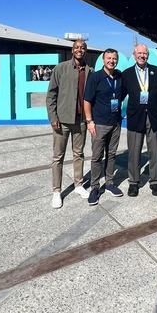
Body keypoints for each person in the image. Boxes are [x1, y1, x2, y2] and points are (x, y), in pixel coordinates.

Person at [45, 40, 93, 209]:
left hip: (80, 121)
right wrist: (53, 117)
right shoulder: (61, 68)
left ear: (85, 51)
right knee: (58, 156)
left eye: (82, 48)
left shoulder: (90, 71)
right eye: (77, 47)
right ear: (72, 50)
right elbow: (51, 95)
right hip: (62, 121)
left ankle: (78, 184)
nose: (80, 50)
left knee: (78, 154)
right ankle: (56, 191)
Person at [121, 43, 157, 197]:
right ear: (134, 55)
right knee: (134, 152)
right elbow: (120, 95)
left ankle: (155, 182)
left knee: (155, 152)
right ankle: (133, 182)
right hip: (135, 118)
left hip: (153, 117)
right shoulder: (126, 74)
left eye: (144, 53)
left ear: (148, 55)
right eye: (139, 53)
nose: (142, 56)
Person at [83, 48, 124, 205]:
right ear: (103, 60)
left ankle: (109, 183)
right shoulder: (95, 77)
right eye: (109, 58)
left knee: (112, 154)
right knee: (96, 157)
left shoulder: (119, 76)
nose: (111, 61)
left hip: (115, 123)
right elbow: (87, 100)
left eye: (114, 58)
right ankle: (94, 187)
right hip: (99, 123)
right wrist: (89, 121)